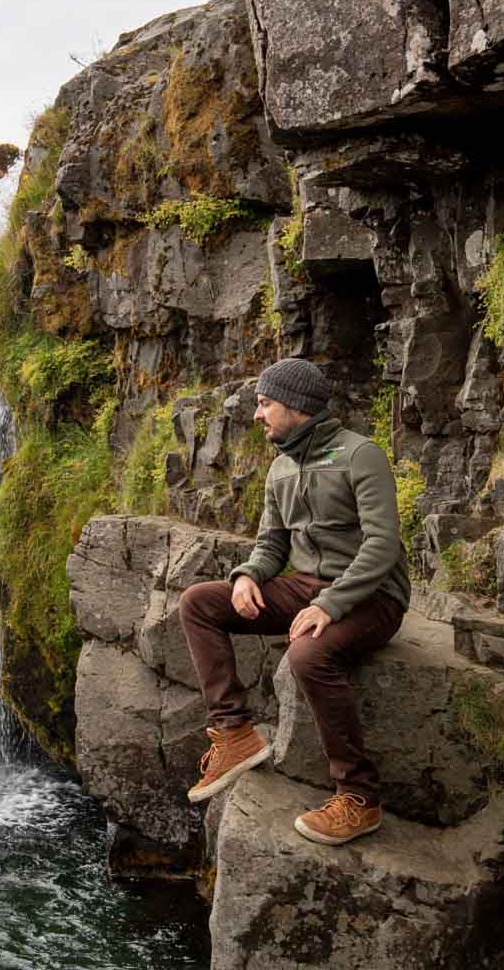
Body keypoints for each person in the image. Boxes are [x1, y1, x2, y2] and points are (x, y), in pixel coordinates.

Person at [175, 356, 410, 846]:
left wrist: (332, 604)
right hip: (305, 586)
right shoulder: (281, 467)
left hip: (372, 595)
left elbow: (382, 545)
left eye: (264, 404)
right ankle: (235, 732)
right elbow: (271, 544)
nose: (257, 415)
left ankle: (360, 798)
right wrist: (247, 576)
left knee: (307, 652)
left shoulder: (359, 455)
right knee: (199, 601)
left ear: (297, 406)